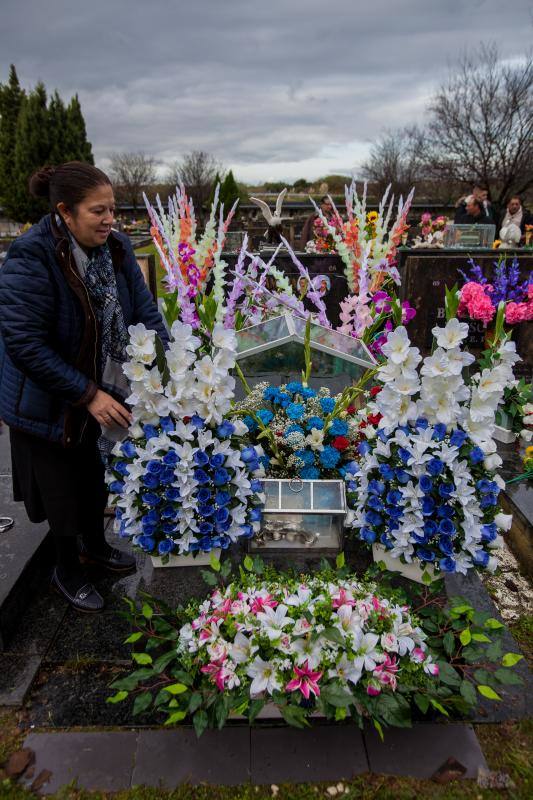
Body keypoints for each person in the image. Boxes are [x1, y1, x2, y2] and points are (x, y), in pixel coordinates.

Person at [0, 162, 168, 613]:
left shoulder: (116, 248)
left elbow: (144, 312)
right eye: (98, 211)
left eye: (112, 208)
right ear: (65, 212)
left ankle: (95, 545)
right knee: (61, 488)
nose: (110, 219)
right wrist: (87, 394)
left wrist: (171, 367)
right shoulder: (31, 256)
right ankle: (66, 569)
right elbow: (25, 343)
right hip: (47, 394)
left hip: (100, 379)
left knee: (94, 473)